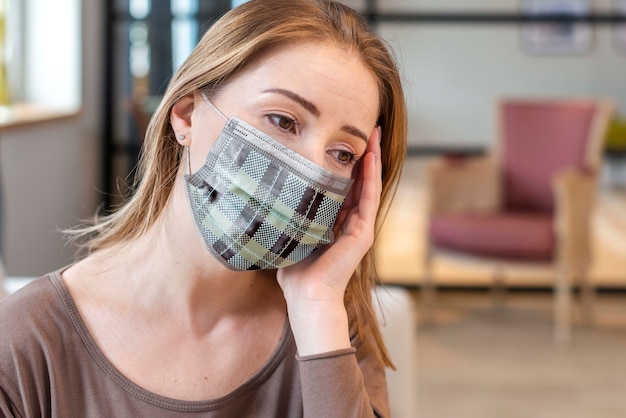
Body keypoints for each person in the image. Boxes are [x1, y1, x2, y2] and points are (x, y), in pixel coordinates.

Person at [0, 0, 407, 416]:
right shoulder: (23, 341)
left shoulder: (333, 324)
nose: (310, 168)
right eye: (283, 121)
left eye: (342, 153)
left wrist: (317, 311)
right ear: (187, 114)